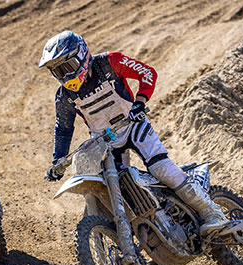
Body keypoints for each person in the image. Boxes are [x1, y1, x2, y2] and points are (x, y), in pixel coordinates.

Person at [39, 31, 228, 236]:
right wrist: (57, 160)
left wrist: (140, 102)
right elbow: (64, 128)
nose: (65, 75)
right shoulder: (64, 96)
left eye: (67, 67)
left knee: (161, 168)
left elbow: (147, 73)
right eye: (58, 71)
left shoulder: (110, 62)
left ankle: (212, 213)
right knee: (112, 190)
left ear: (82, 56)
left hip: (133, 125)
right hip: (105, 142)